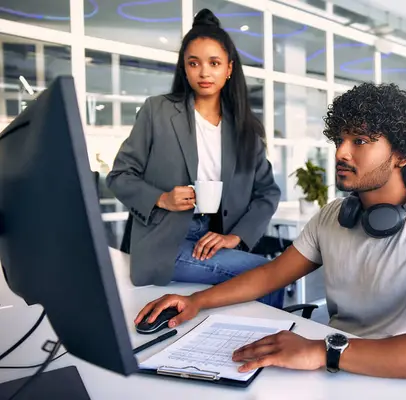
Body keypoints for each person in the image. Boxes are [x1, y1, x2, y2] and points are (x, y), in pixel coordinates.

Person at [135, 83, 406, 380]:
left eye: (361, 141)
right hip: (335, 369)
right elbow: (272, 274)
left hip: (399, 376)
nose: (341, 153)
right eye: (339, 140)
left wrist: (325, 352)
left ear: (402, 155)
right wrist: (195, 301)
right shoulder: (333, 215)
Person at [106, 9, 284, 308]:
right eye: (194, 63)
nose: (204, 73)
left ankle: (258, 343)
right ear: (185, 69)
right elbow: (119, 176)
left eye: (214, 63)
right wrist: (161, 198)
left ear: (228, 68)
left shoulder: (245, 128)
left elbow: (267, 192)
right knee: (267, 274)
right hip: (166, 240)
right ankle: (269, 348)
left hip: (214, 238)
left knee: (267, 275)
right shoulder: (157, 111)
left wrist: (237, 237)